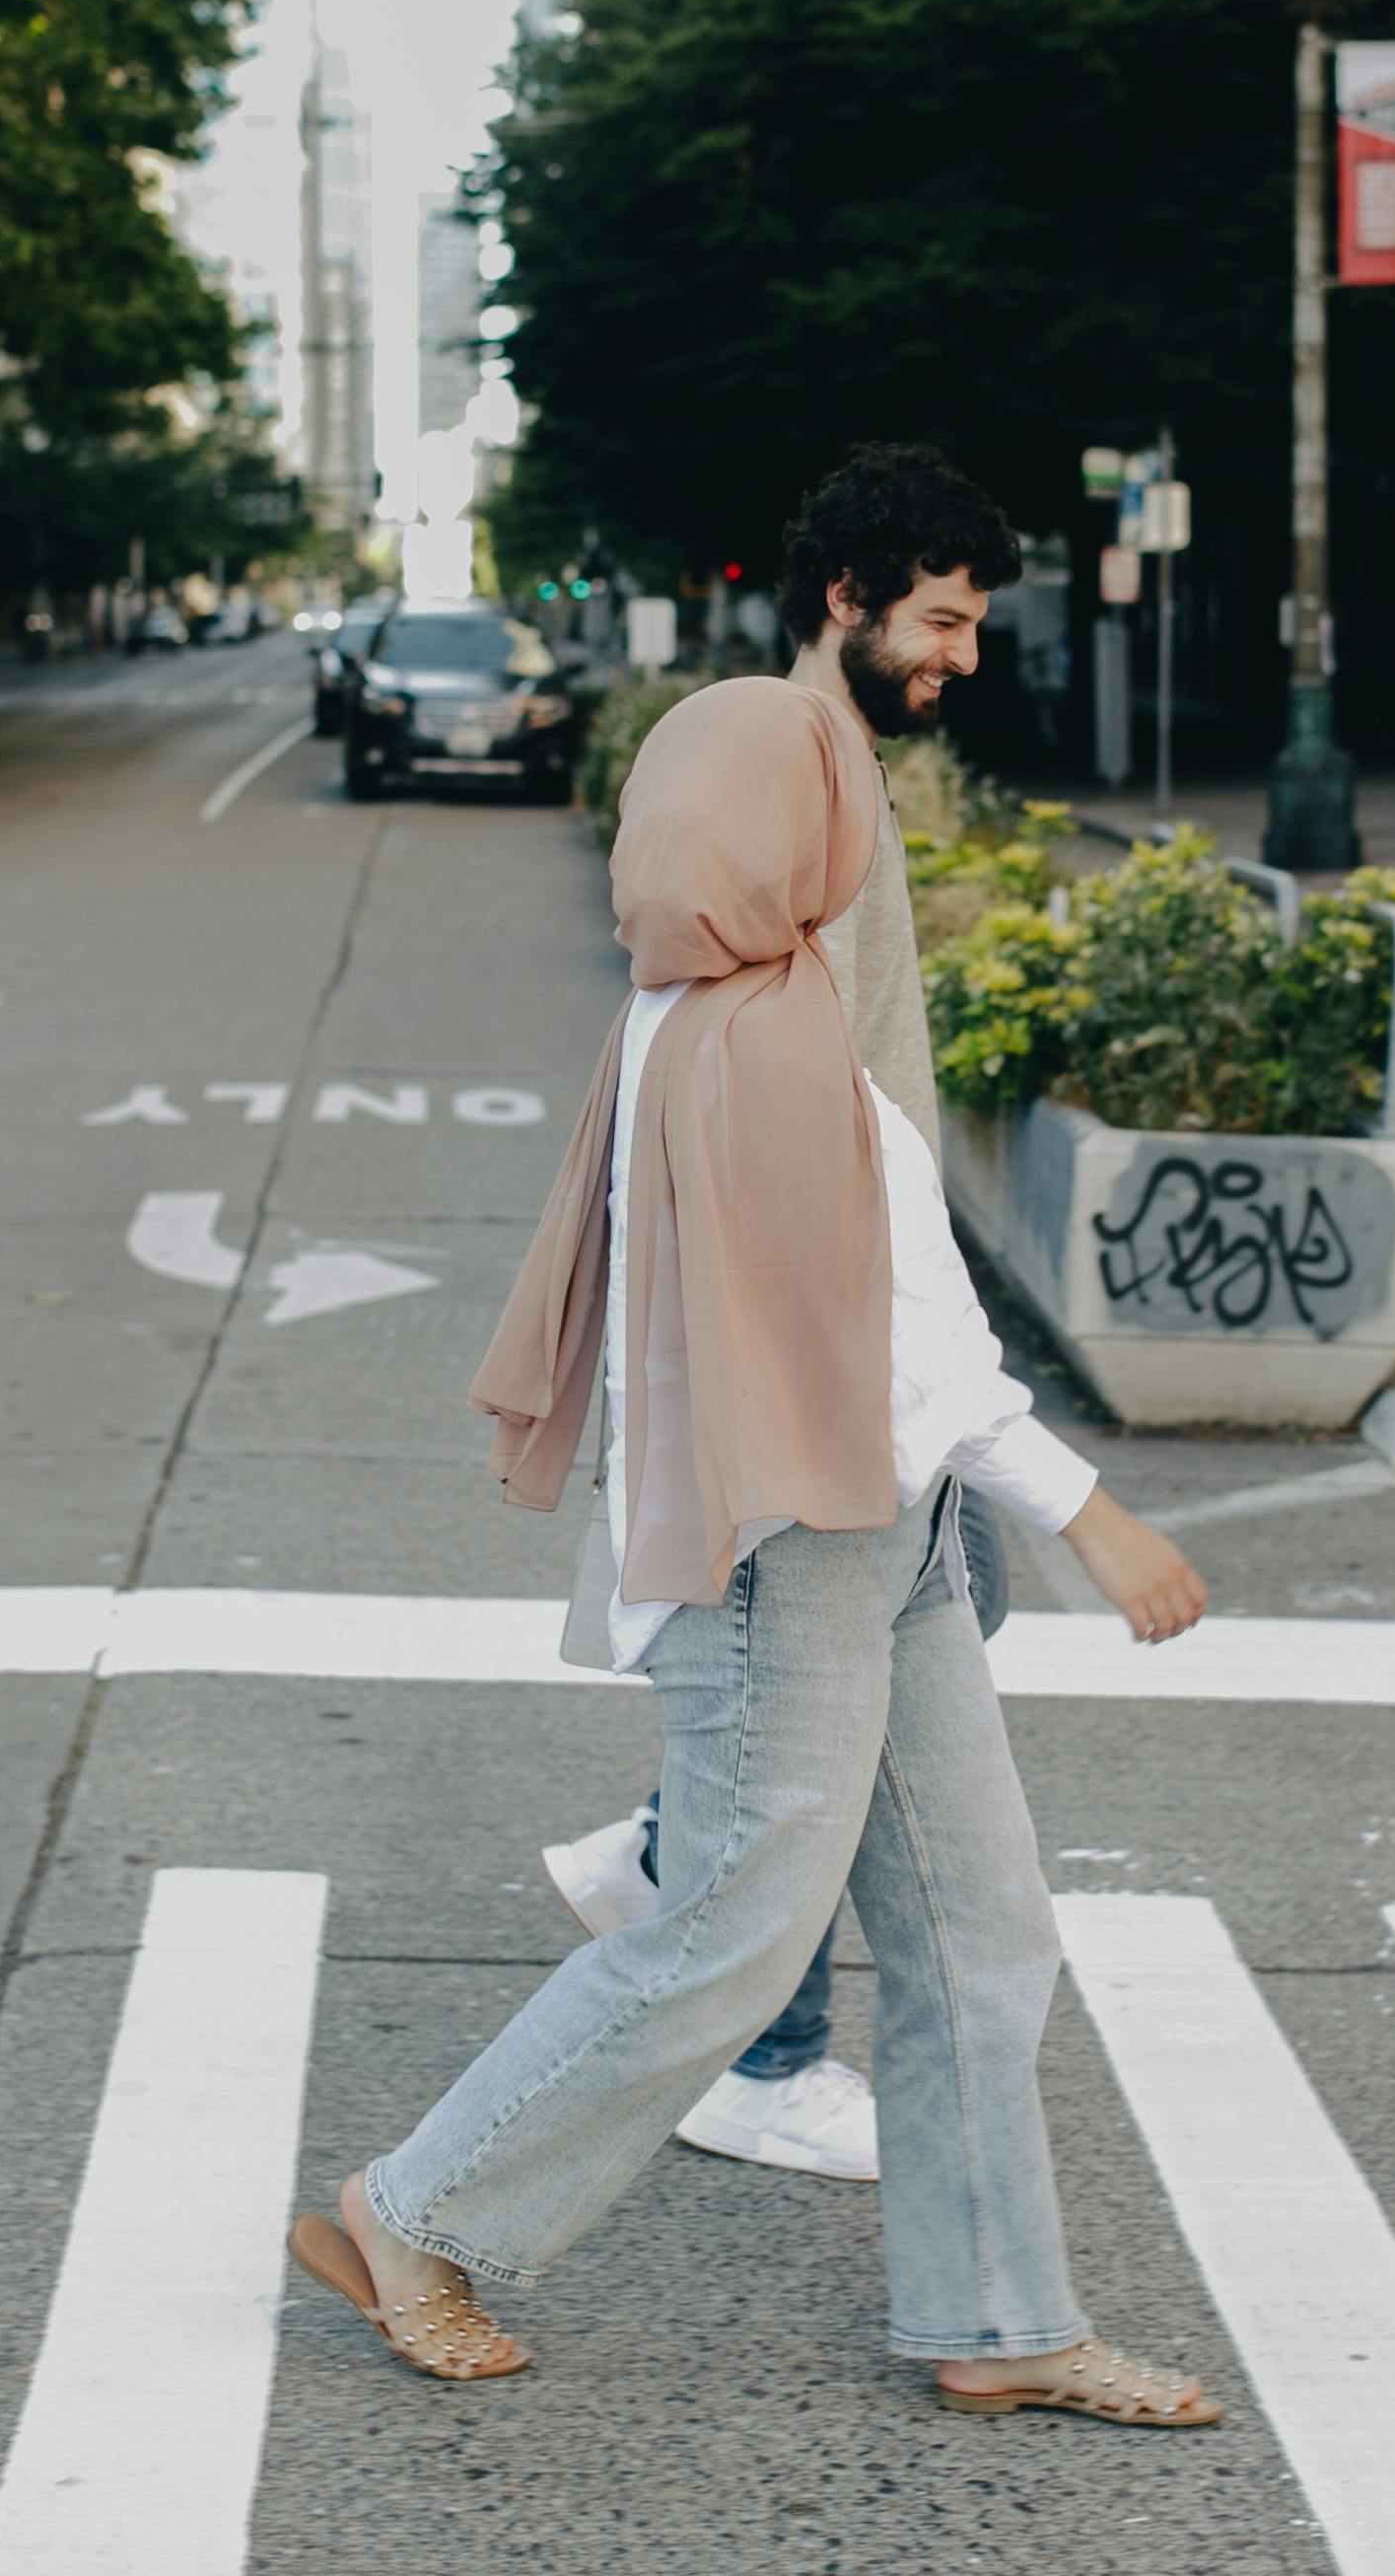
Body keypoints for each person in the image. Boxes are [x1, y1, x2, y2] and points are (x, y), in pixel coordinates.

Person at [289, 647, 1221, 2424]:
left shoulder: (676, 1014)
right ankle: (410, 2212)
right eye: (836, 810)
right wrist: (1097, 1519)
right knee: (725, 1928)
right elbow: (904, 1358)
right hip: (793, 1548)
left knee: (974, 1936)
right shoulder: (772, 1045)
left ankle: (1000, 2316)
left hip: (873, 1541)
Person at [536, 448, 1037, 2185]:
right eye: (943, 622)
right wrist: (844, 1319)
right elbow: (749, 1042)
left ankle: (671, 1860)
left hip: (872, 1273)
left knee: (920, 1626)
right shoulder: (780, 758)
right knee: (821, 1697)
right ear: (846, 600)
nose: (963, 657)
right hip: (822, 1298)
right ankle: (759, 2043)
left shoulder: (835, 763)